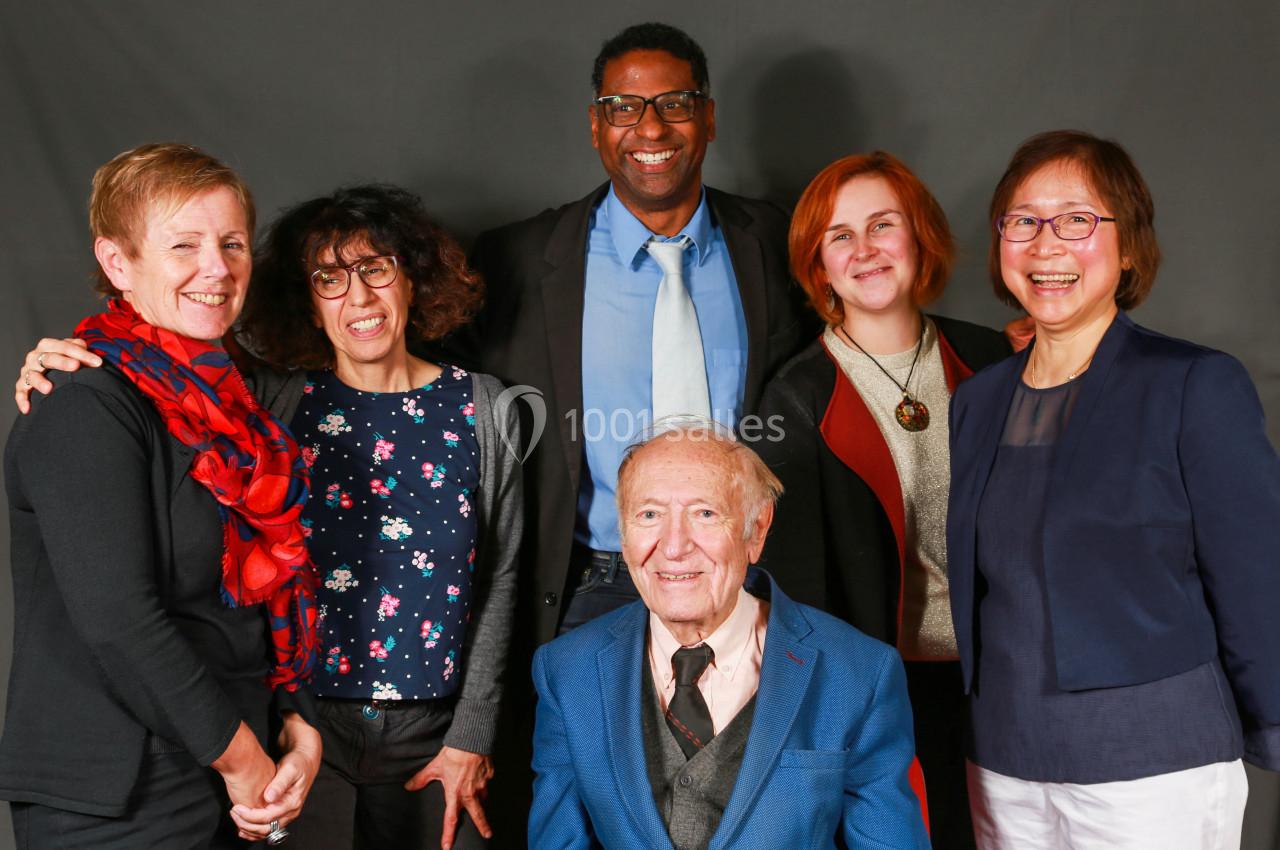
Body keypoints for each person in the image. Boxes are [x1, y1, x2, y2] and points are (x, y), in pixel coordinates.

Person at [16, 184, 523, 849]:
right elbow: (157, 374)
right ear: (307, 304)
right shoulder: (267, 404)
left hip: (434, 736)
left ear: (413, 279)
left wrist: (473, 735)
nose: (359, 297)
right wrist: (61, 356)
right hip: (301, 733)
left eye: (376, 269)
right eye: (329, 279)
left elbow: (502, 575)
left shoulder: (484, 408)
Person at [947, 129, 1280, 849]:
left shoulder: (1193, 383)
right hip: (1003, 761)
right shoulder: (977, 401)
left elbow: (1256, 575)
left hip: (1153, 763)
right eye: (1023, 221)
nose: (1046, 244)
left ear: (1128, 245)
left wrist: (1273, 723)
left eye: (1076, 219)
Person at [2, 142, 322, 847]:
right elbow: (120, 621)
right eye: (185, 245)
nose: (218, 267)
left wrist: (299, 727)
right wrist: (243, 763)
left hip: (231, 770)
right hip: (120, 791)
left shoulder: (245, 410)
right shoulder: (83, 401)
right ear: (119, 263)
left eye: (232, 242)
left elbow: (265, 595)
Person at [462, 21, 813, 644]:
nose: (650, 129)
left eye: (674, 104)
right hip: (590, 590)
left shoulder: (774, 243)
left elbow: (849, 343)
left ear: (708, 119)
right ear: (596, 126)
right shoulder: (515, 260)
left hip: (746, 582)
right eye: (624, 107)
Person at [754, 151, 1010, 849]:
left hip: (1007, 680)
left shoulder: (994, 362)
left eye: (882, 225)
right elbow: (794, 593)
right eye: (840, 236)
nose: (864, 250)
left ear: (919, 236)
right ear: (819, 263)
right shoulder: (793, 397)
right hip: (881, 693)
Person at [529, 417, 930, 849]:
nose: (674, 545)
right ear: (623, 536)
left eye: (704, 513)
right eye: (649, 514)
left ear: (755, 530)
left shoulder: (859, 672)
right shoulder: (566, 670)